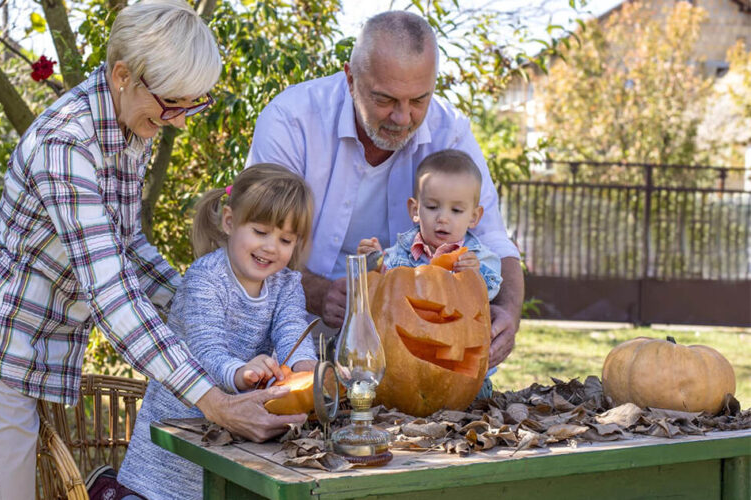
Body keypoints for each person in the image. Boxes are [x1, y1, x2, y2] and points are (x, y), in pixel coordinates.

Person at [0, 2, 304, 498]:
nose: (181, 122)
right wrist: (211, 400)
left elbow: (127, 246)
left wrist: (205, 298)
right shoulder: (67, 145)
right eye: (172, 104)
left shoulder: (128, 123)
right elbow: (111, 293)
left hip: (22, 340)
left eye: (192, 105)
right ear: (123, 74)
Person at [246, 10, 524, 372]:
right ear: (350, 78)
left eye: (419, 100)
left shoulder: (449, 129)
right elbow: (253, 241)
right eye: (385, 100)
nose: (402, 117)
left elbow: (493, 239)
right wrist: (315, 291)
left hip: (407, 332)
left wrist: (508, 311)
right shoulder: (291, 119)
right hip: (292, 322)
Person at [117, 164, 319, 499]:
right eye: (260, 232)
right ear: (229, 222)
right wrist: (240, 373)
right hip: (170, 452)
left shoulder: (286, 284)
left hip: (231, 445)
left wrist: (307, 369)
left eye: (285, 239)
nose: (271, 247)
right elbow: (205, 351)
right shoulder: (205, 278)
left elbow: (292, 329)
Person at [357, 149, 502, 398]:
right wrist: (373, 262)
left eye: (456, 211)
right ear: (415, 209)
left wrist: (474, 275)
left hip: (462, 377)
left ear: (474, 217)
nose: (443, 218)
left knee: (476, 398)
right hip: (401, 371)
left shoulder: (476, 256)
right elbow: (383, 294)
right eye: (433, 207)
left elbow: (490, 291)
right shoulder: (400, 252)